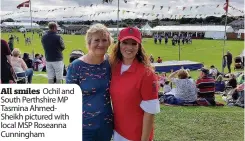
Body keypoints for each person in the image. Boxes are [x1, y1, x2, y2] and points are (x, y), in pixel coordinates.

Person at [109, 27, 160, 141]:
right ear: (119, 44)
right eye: (125, 43)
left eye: (134, 43)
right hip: (117, 131)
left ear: (139, 46)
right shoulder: (114, 67)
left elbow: (150, 112)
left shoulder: (146, 73)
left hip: (135, 136)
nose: (129, 47)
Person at [66, 24, 113, 141]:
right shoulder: (76, 66)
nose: (101, 44)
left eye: (104, 40)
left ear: (109, 43)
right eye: (96, 40)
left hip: (106, 124)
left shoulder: (111, 63)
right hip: (83, 126)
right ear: (89, 43)